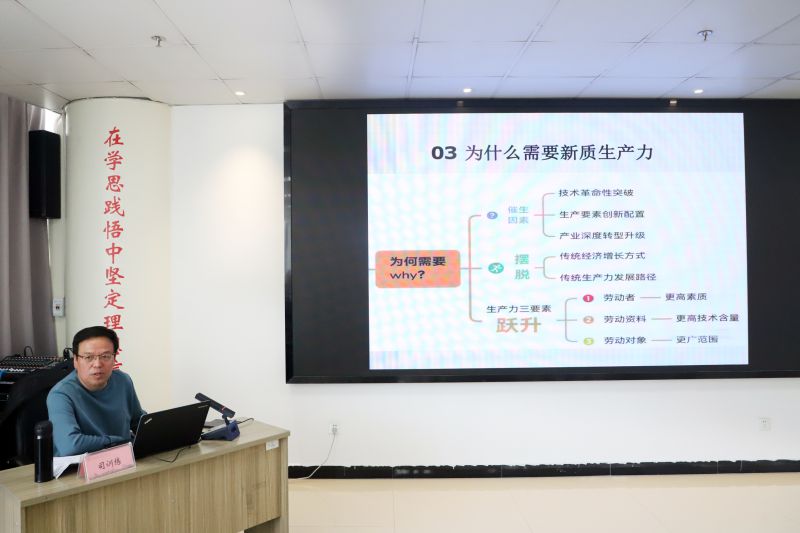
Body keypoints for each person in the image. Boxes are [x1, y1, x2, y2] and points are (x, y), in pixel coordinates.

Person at [47, 326, 145, 456]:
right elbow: (70, 446)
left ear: (114, 358)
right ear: (75, 360)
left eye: (105, 356)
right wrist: (119, 442)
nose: (97, 364)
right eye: (88, 357)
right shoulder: (60, 395)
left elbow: (139, 422)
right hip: (78, 466)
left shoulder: (123, 381)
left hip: (122, 460)